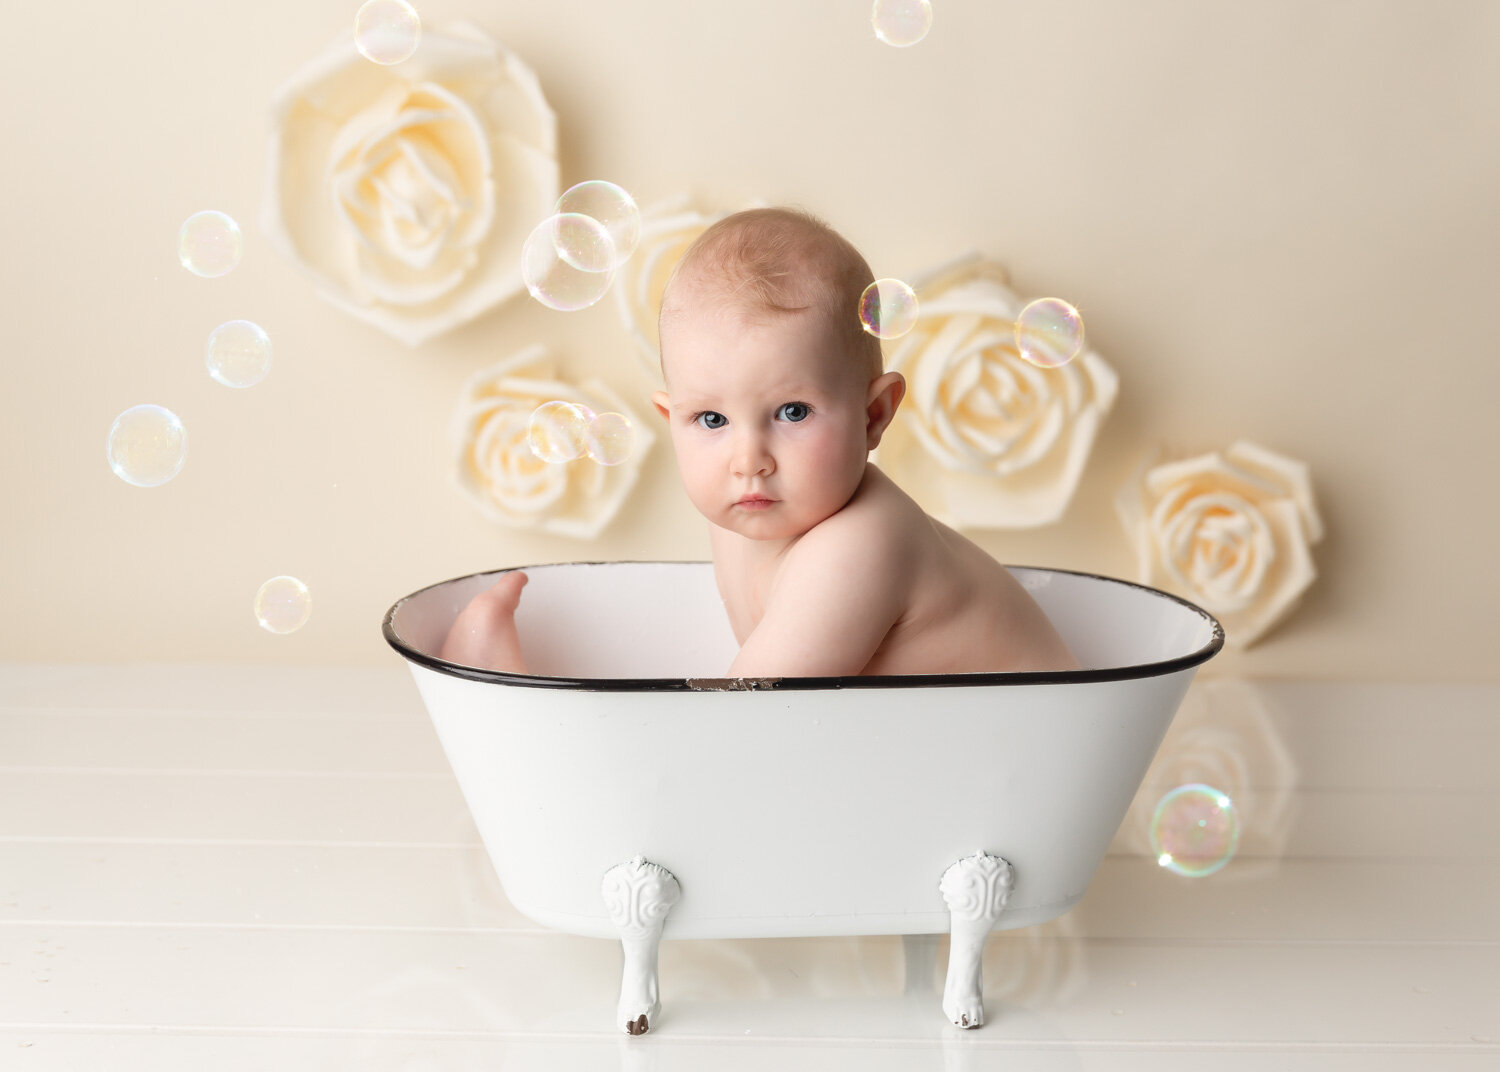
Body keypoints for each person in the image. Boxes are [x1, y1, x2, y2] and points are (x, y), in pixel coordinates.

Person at [440, 206, 1079, 676]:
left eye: (792, 411)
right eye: (711, 421)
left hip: (1021, 759)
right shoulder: (748, 518)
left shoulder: (860, 546)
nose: (749, 460)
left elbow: (749, 719)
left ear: (874, 414)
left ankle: (513, 703)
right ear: (672, 421)